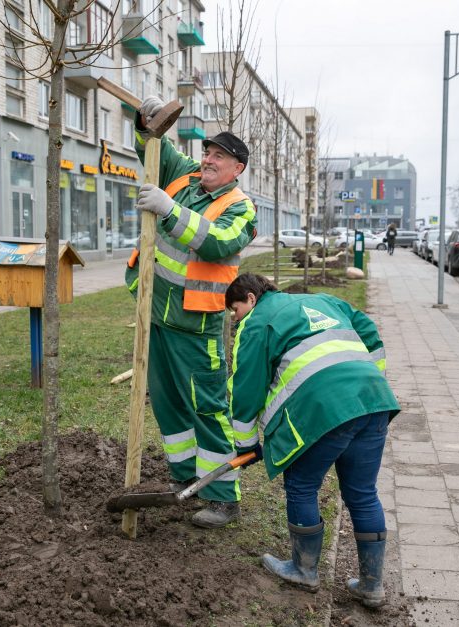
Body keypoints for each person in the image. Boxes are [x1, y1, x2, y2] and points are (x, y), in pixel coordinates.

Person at [224, 273, 399, 604]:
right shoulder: (324, 300)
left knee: (302, 486)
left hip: (323, 409)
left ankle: (304, 570)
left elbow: (246, 389)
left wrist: (246, 444)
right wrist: (370, 376)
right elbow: (370, 331)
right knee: (363, 494)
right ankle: (372, 585)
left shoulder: (257, 321)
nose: (234, 320)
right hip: (373, 400)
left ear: (249, 298)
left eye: (234, 311)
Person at [126, 96, 259, 528]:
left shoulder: (241, 208)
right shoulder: (186, 179)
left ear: (237, 168)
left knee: (207, 407)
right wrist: (147, 119)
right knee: (168, 404)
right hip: (157, 313)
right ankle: (185, 482)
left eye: (219, 156)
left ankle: (222, 496)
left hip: (196, 324)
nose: (208, 160)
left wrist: (167, 208)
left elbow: (218, 242)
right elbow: (154, 145)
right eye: (206, 153)